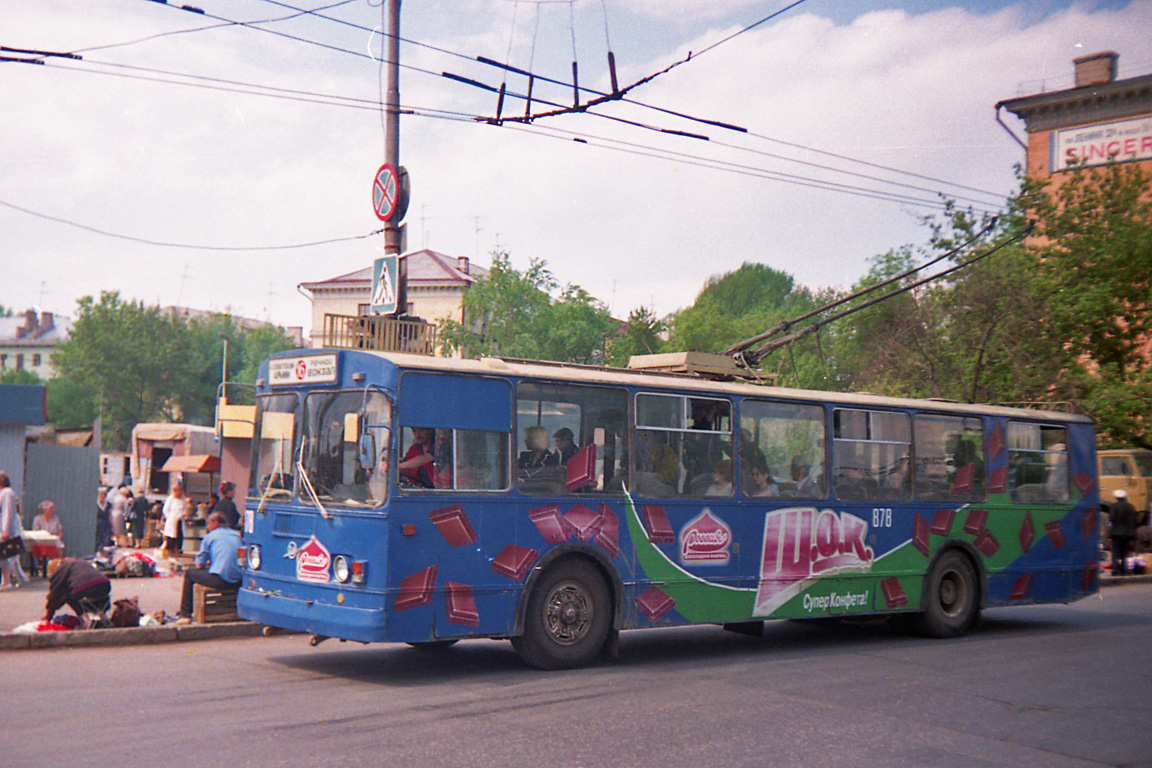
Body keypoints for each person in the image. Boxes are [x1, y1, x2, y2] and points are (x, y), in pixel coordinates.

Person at [175, 511, 243, 624]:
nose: (207, 526)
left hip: (221, 580)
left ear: (215, 523)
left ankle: (185, 614)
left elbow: (199, 565)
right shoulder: (237, 535)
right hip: (238, 580)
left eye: (209, 523)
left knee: (189, 573)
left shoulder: (209, 537)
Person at [43, 557, 111, 621]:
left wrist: (49, 615)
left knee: (68, 595)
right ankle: (103, 617)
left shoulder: (60, 570)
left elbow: (55, 595)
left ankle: (85, 619)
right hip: (105, 585)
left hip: (86, 588)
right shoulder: (79, 562)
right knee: (93, 594)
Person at [1, 470, 30, 589]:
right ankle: (9, 580)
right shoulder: (3, 493)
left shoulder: (8, 493)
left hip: (5, 530)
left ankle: (8, 581)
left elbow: (8, 512)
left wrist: (6, 529)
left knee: (7, 556)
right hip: (3, 529)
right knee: (6, 556)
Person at [30, 500, 65, 577]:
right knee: (44, 547)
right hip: (42, 540)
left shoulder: (55, 518)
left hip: (53, 539)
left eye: (53, 508)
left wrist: (58, 537)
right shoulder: (37, 519)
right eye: (51, 508)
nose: (53, 510)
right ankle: (47, 566)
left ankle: (58, 566)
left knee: (60, 546)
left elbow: (60, 531)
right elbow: (35, 531)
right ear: (45, 510)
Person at [1109, 489, 1139, 576]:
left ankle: (1116, 569)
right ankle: (1124, 569)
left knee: (1116, 552)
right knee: (1125, 552)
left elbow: (1111, 518)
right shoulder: (1131, 506)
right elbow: (1135, 520)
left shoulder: (1114, 506)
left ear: (1116, 497)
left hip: (1117, 533)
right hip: (1128, 533)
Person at [161, 482, 189, 557]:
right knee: (171, 536)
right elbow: (165, 510)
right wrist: (171, 517)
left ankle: (178, 549)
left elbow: (185, 508)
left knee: (179, 535)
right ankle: (170, 550)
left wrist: (184, 514)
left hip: (180, 520)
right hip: (172, 520)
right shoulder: (170, 499)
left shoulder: (183, 499)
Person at [94, 487, 113, 552]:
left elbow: (110, 515)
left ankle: (102, 552)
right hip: (97, 523)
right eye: (100, 496)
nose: (102, 498)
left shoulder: (108, 504)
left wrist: (112, 525)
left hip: (106, 523)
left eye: (103, 496)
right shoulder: (95, 504)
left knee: (105, 539)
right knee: (97, 539)